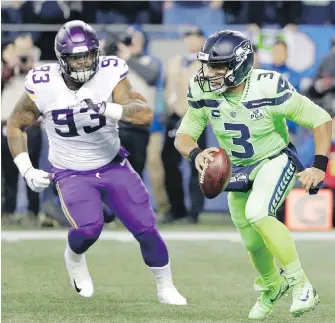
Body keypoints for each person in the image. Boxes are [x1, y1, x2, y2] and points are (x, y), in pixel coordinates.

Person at [6, 20, 186, 305]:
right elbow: (15, 126)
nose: (83, 62)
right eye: (76, 57)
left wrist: (108, 108)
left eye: (88, 54)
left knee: (145, 227)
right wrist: (26, 170)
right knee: (89, 229)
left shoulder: (110, 72)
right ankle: (74, 257)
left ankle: (166, 286)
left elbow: (143, 114)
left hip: (113, 164)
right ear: (63, 58)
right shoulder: (43, 83)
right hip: (71, 171)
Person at [175, 30, 331, 319]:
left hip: (275, 157)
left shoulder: (268, 87)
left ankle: (301, 285)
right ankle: (273, 285)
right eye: (209, 65)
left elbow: (321, 119)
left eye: (218, 66)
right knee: (250, 239)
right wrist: (197, 154)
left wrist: (319, 165)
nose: (210, 72)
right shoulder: (202, 88)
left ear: (240, 65)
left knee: (258, 212)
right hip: (237, 167)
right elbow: (184, 134)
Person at [162, 26, 206, 224]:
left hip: (195, 118)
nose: (191, 40)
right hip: (173, 117)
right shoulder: (174, 62)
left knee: (198, 165)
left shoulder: (207, 64)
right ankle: (177, 208)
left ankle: (194, 212)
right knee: (169, 163)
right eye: (188, 36)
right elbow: (168, 88)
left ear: (202, 39)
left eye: (195, 36)